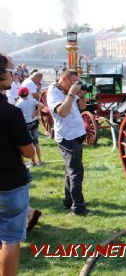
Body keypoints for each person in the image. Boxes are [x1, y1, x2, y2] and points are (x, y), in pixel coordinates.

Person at [0, 53, 35, 275]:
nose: (14, 76)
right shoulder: (11, 112)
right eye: (11, 71)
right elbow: (29, 151)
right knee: (10, 238)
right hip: (10, 182)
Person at [47, 69, 92, 216]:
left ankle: (68, 201)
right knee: (76, 173)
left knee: (70, 171)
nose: (76, 85)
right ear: (64, 79)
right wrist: (72, 93)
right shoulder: (53, 91)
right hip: (67, 137)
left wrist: (82, 95)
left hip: (76, 135)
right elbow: (62, 112)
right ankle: (78, 208)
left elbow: (82, 107)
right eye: (73, 82)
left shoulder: (69, 90)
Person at [16, 86, 44, 166]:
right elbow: (41, 105)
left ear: (19, 94)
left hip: (26, 124)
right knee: (36, 142)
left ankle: (33, 162)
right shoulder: (32, 100)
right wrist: (36, 111)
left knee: (29, 143)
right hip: (34, 123)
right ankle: (40, 161)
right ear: (28, 94)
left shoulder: (18, 103)